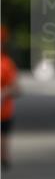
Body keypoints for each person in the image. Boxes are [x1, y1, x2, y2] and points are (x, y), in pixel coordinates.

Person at [1, 26, 20, 170]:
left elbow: (17, 89)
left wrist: (4, 92)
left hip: (4, 111)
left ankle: (4, 157)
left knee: (4, 137)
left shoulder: (6, 64)